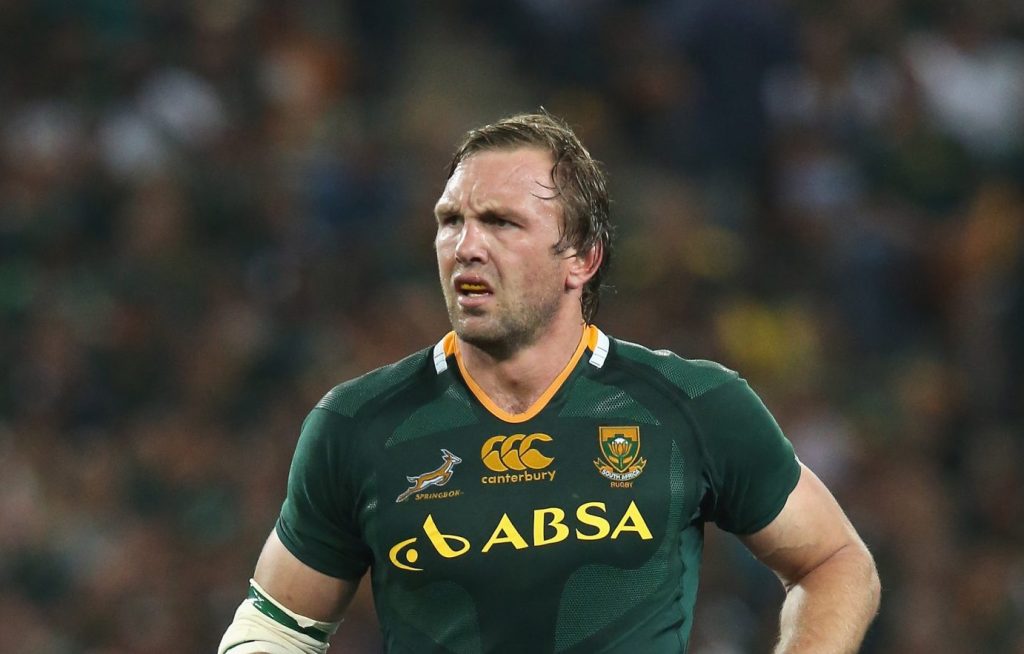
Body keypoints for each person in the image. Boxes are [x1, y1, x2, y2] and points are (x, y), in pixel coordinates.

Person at [218, 111, 881, 654]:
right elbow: (276, 626)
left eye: (501, 222)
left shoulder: (695, 406)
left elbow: (835, 563)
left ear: (582, 258)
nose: (466, 246)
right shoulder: (358, 425)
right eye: (451, 221)